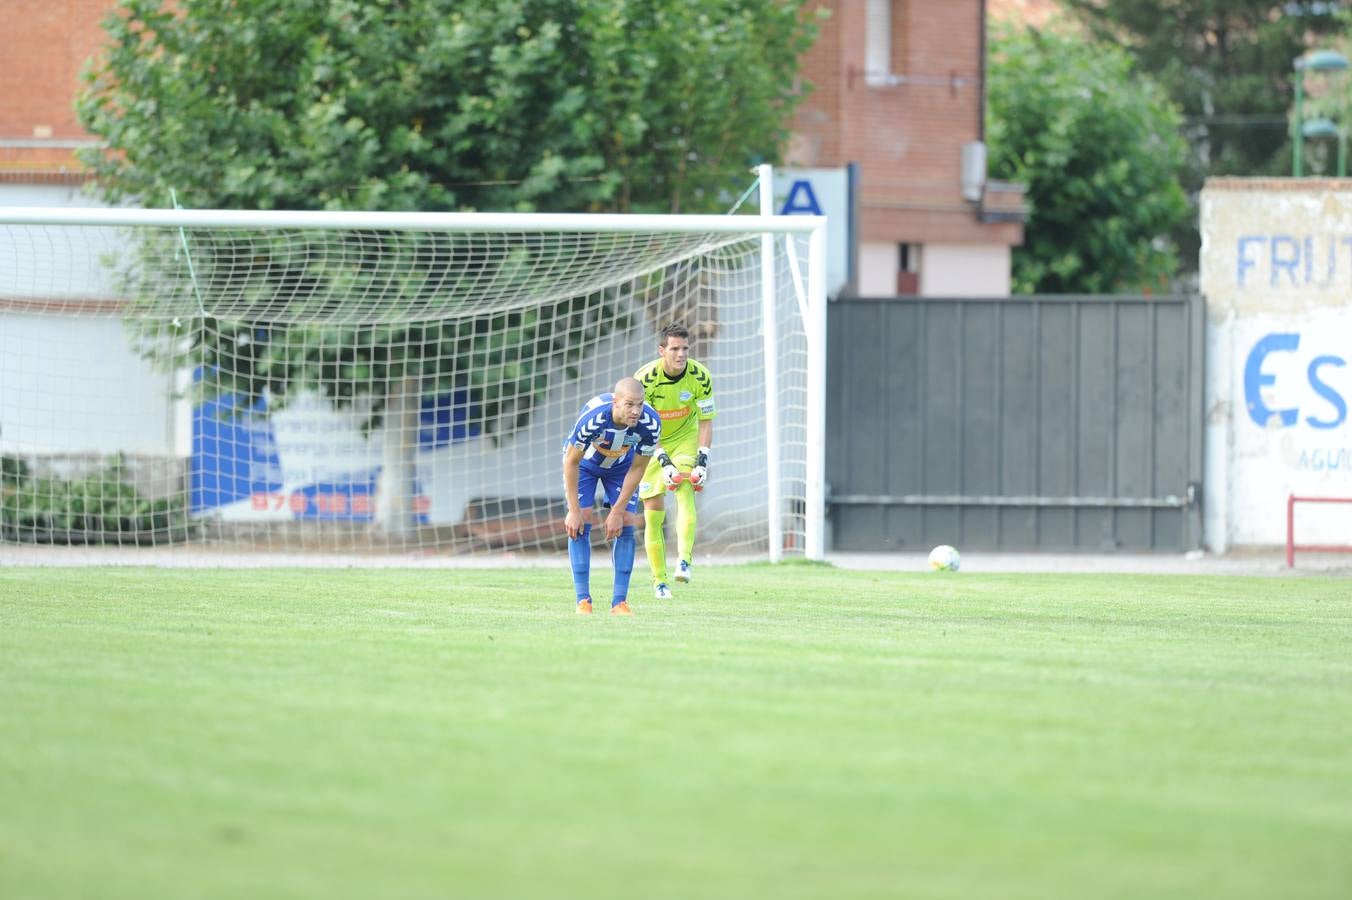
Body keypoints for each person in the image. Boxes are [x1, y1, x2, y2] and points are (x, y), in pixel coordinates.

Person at [562, 377, 662, 615]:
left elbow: (639, 467)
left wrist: (617, 511)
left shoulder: (650, 424)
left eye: (639, 404)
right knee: (581, 520)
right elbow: (571, 461)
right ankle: (583, 601)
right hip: (585, 465)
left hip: (621, 467)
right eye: (629, 404)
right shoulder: (593, 419)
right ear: (615, 402)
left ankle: (619, 602)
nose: (636, 411)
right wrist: (573, 510)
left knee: (627, 522)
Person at [634, 323, 715, 600]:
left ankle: (684, 561)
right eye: (675, 349)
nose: (681, 354)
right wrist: (663, 460)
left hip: (685, 438)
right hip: (650, 444)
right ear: (662, 351)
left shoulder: (700, 376)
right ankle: (659, 582)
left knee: (684, 488)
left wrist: (702, 459)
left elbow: (705, 420)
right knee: (653, 512)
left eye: (685, 349)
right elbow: (641, 426)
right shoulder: (644, 379)